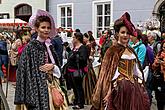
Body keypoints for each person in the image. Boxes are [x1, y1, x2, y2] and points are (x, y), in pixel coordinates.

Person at [91, 12, 150, 110]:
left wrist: (141, 84)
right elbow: (107, 75)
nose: (125, 35)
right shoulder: (112, 51)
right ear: (117, 34)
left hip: (133, 90)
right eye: (123, 32)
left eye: (127, 33)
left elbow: (136, 70)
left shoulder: (131, 51)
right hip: (118, 91)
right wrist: (108, 93)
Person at [14, 15, 67, 110]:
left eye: (48, 28)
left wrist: (53, 67)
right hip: (35, 89)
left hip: (51, 84)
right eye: (43, 27)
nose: (46, 30)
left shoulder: (50, 46)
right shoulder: (30, 47)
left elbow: (57, 66)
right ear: (37, 29)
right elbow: (23, 70)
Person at [64, 32, 88, 109]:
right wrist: (68, 49)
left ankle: (80, 103)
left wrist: (75, 54)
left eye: (73, 37)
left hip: (77, 71)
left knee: (78, 87)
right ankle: (76, 101)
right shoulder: (75, 47)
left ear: (77, 38)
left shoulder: (82, 48)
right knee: (74, 87)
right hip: (71, 70)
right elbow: (71, 56)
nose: (72, 39)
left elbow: (83, 59)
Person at [83, 33, 97, 105]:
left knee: (88, 80)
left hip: (87, 64)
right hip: (88, 63)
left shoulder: (88, 46)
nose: (83, 39)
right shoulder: (88, 45)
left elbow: (90, 55)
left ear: (87, 38)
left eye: (84, 38)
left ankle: (89, 97)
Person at [152, 40, 165, 110]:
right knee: (159, 99)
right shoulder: (159, 54)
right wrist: (156, 63)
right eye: (163, 47)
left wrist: (163, 63)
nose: (164, 49)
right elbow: (153, 67)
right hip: (158, 79)